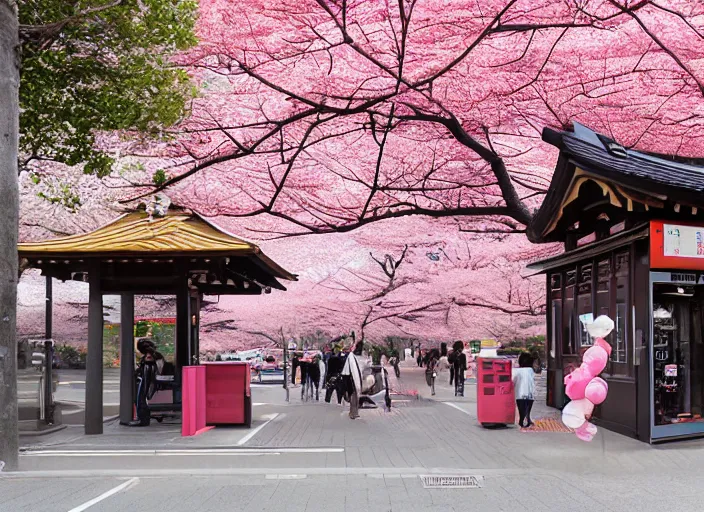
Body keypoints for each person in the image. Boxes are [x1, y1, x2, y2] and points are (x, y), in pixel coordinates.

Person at [514, 352, 536, 428]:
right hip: (530, 393)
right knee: (528, 407)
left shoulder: (518, 371)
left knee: (521, 408)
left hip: (520, 393)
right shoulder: (531, 370)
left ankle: (521, 420)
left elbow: (514, 380)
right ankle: (528, 418)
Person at [342, 341, 363, 419]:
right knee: (354, 395)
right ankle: (353, 412)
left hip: (351, 378)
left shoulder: (353, 356)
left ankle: (353, 412)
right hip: (351, 378)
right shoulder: (351, 356)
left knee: (354, 396)